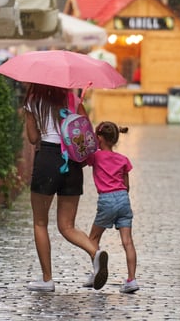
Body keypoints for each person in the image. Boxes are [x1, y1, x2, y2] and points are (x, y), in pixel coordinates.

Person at [23, 82, 108, 292]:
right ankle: (94, 252)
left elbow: (34, 138)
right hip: (72, 163)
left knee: (40, 223)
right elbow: (86, 131)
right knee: (67, 225)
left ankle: (47, 279)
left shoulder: (33, 101)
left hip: (48, 160)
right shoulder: (73, 100)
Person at [84, 121, 139, 294]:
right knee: (127, 242)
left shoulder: (96, 156)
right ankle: (131, 280)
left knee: (92, 239)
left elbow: (82, 159)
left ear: (99, 138)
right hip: (123, 199)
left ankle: (96, 273)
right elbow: (127, 186)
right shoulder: (123, 160)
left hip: (106, 200)